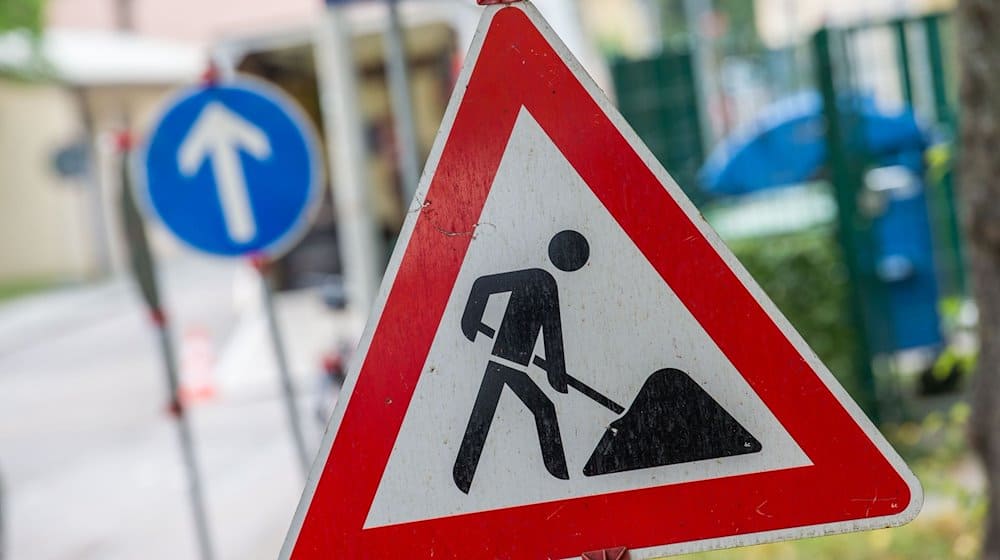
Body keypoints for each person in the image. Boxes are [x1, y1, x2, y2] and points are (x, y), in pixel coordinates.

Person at [453, 230, 589, 494]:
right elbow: (483, 285)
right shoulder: (538, 278)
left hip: (511, 364)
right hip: (504, 362)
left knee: (487, 415)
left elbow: (552, 335)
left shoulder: (546, 283)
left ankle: (462, 476)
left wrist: (556, 374)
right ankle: (561, 481)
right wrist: (469, 320)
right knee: (541, 410)